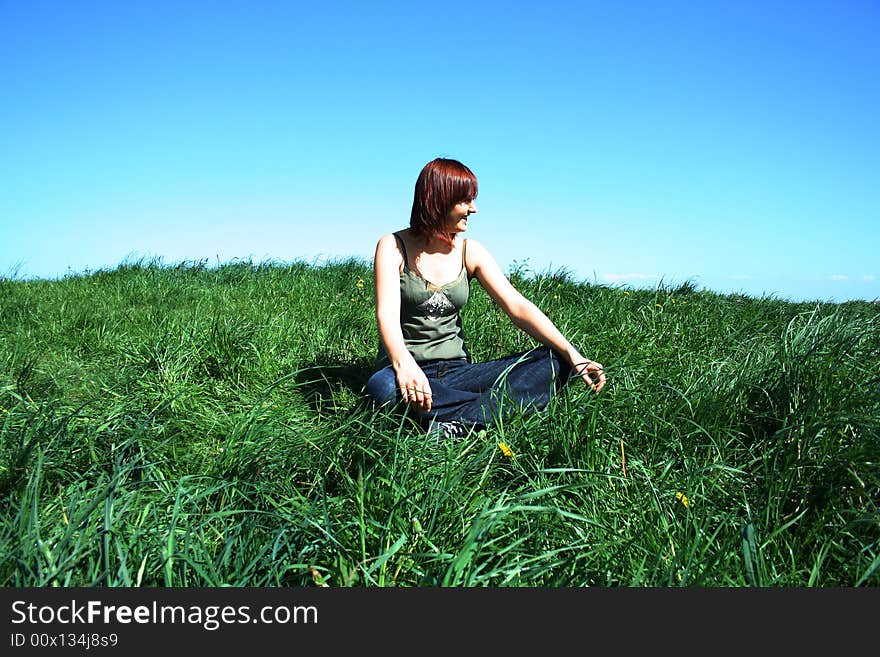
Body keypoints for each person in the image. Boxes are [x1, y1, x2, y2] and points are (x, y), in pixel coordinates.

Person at [364, 157, 606, 439]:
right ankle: (487, 411)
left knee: (556, 362)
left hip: (458, 372)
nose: (474, 209)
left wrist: (573, 354)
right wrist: (405, 366)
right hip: (403, 368)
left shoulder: (470, 251)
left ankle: (454, 423)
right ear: (439, 200)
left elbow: (517, 306)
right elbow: (388, 315)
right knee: (381, 389)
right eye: (465, 201)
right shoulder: (393, 246)